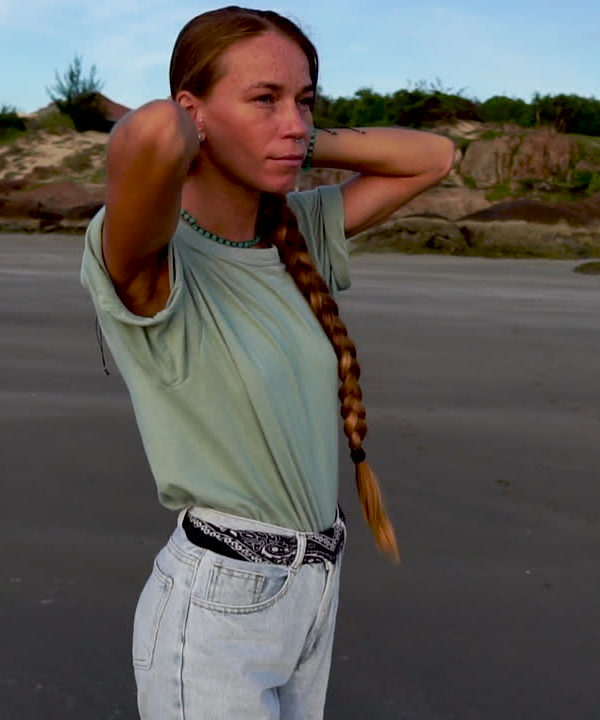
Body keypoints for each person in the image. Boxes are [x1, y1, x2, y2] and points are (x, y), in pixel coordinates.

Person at [78, 6, 455, 718]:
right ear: (196, 113)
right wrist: (203, 131)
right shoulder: (152, 259)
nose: (293, 120)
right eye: (264, 98)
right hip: (218, 606)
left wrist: (284, 138)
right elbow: (151, 134)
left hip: (311, 590)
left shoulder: (295, 230)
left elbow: (434, 156)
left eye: (304, 100)